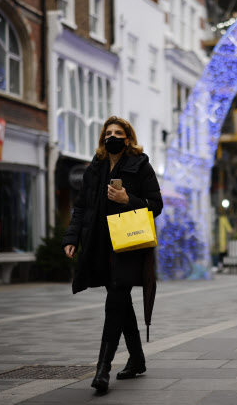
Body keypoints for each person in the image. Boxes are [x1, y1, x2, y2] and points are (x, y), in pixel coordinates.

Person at [62, 116, 163, 394]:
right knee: (120, 301)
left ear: (128, 138)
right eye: (108, 133)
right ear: (103, 138)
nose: (113, 137)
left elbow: (156, 205)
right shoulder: (94, 168)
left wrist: (127, 199)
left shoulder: (141, 165)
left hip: (128, 243)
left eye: (118, 132)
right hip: (99, 244)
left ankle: (102, 369)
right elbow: (81, 207)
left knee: (116, 297)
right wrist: (71, 238)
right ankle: (137, 359)